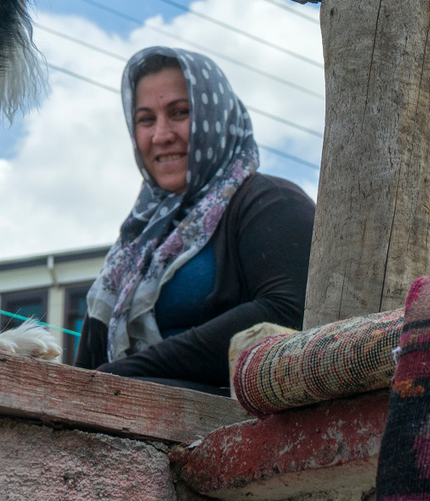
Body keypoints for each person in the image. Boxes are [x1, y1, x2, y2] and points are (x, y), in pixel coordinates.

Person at [73, 46, 315, 394]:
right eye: (146, 119)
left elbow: (286, 310)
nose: (161, 135)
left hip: (230, 418)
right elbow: (87, 372)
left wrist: (124, 376)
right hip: (119, 412)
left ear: (215, 116)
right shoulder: (135, 242)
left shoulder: (270, 202)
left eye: (180, 112)